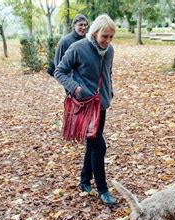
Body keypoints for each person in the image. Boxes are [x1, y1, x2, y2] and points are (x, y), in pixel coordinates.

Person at [54, 14, 116, 206]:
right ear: (95, 32)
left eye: (110, 37)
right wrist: (76, 88)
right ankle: (102, 189)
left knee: (92, 143)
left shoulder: (110, 50)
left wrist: (109, 91)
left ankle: (84, 180)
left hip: (101, 104)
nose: (107, 41)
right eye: (104, 36)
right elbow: (59, 71)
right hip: (85, 105)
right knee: (99, 146)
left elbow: (108, 72)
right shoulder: (78, 48)